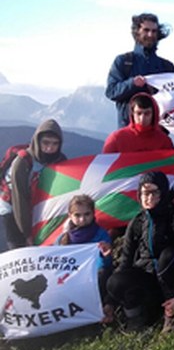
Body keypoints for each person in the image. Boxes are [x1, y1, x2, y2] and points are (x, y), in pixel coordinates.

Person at [107, 171, 174, 332]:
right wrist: (109, 301)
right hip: (148, 280)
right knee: (115, 281)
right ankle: (137, 319)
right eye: (145, 193)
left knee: (168, 256)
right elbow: (125, 262)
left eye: (154, 192)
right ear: (139, 195)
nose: (149, 197)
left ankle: (172, 314)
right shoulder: (137, 222)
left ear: (164, 193)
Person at [1, 119, 67, 250]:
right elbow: (19, 200)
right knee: (19, 250)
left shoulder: (60, 160)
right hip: (11, 205)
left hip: (37, 203)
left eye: (55, 143)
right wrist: (27, 234)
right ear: (37, 141)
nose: (50, 148)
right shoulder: (22, 162)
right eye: (46, 143)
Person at [106, 13, 174, 128]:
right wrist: (132, 83)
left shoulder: (167, 67)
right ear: (137, 32)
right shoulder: (123, 61)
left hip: (158, 132)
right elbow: (111, 92)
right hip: (128, 133)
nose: (150, 34)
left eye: (154, 31)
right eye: (146, 30)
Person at [57, 194, 114, 323]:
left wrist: (105, 256)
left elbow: (106, 265)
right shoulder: (62, 239)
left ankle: (103, 310)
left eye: (87, 214)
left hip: (95, 276)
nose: (82, 219)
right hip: (72, 277)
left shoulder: (101, 234)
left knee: (103, 274)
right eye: (77, 215)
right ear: (70, 215)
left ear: (93, 214)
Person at [102, 93, 174, 153]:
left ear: (154, 114)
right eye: (138, 113)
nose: (142, 118)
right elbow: (105, 167)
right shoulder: (116, 139)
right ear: (132, 114)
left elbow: (173, 167)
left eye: (147, 113)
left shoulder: (164, 142)